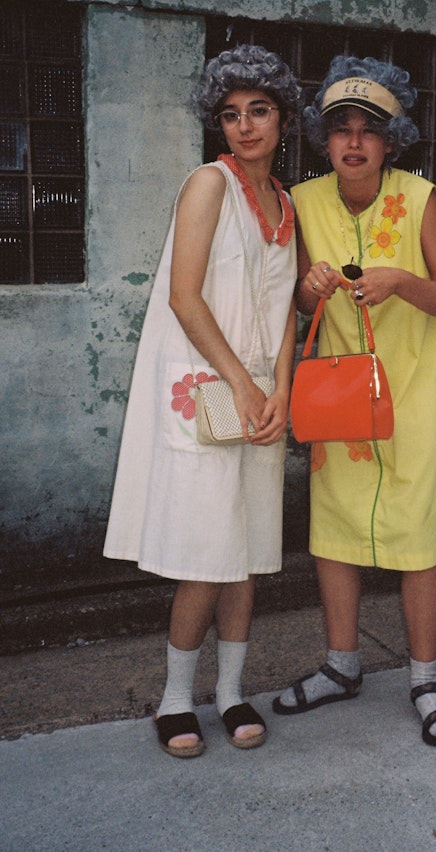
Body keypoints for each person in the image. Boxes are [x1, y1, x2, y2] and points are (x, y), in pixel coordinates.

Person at [104, 44, 301, 758]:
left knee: (246, 553)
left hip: (261, 400)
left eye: (259, 110)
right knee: (204, 556)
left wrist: (279, 388)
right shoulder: (208, 185)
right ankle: (175, 698)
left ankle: (231, 692)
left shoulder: (285, 204)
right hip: (207, 391)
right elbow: (185, 297)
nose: (245, 125)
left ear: (283, 117)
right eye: (230, 114)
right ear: (217, 124)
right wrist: (245, 386)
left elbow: (284, 313)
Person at [273, 54, 436, 746]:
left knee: (418, 541)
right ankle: (342, 665)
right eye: (340, 129)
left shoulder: (421, 199)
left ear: (393, 139)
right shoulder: (302, 200)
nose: (353, 143)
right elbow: (296, 299)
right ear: (322, 139)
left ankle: (423, 679)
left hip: (413, 395)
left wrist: (400, 281)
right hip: (341, 400)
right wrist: (311, 285)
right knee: (335, 534)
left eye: (369, 130)